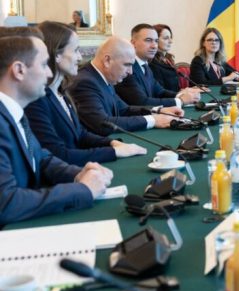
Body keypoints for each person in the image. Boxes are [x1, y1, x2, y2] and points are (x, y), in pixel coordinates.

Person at [0, 34, 112, 225]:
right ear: (19, 70)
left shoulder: (14, 111)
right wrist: (82, 190)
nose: (49, 73)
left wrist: (76, 174)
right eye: (44, 65)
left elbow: (40, 158)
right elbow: (6, 203)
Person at [24, 22, 146, 167]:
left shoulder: (61, 91)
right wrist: (114, 152)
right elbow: (59, 154)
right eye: (76, 50)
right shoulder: (37, 100)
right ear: (57, 54)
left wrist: (111, 142)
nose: (80, 57)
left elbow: (80, 134)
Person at [68, 36, 183, 136]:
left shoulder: (103, 76)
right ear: (107, 60)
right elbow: (102, 124)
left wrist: (158, 111)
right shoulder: (85, 82)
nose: (130, 72)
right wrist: (152, 120)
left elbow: (124, 109)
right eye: (127, 65)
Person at [115, 24, 200, 107]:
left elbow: (160, 91)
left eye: (156, 41)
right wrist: (180, 101)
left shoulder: (145, 66)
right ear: (133, 43)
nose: (154, 46)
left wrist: (181, 95)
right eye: (148, 40)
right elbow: (141, 102)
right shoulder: (127, 69)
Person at [149, 24, 181, 92]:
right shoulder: (152, 62)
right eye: (166, 38)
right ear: (155, 40)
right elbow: (160, 91)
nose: (171, 41)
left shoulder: (168, 59)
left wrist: (186, 91)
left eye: (170, 38)